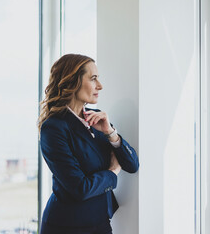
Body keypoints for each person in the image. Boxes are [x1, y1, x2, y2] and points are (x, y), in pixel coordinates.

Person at [37, 54, 139, 234]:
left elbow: (132, 165)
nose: (100, 86)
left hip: (99, 222)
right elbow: (79, 188)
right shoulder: (53, 128)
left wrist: (111, 133)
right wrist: (112, 172)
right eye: (93, 79)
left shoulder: (96, 117)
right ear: (72, 82)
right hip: (67, 226)